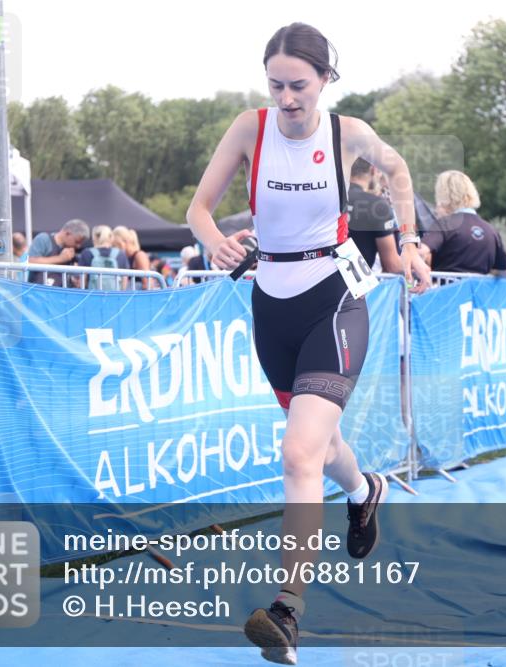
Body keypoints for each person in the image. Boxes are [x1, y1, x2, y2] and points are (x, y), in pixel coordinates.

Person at [184, 22, 431, 665]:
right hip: (272, 305)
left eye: (298, 85)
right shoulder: (250, 129)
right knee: (321, 446)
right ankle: (364, 491)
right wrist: (215, 240)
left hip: (335, 298)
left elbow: (397, 169)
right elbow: (198, 209)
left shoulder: (348, 134)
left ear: (325, 79)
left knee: (298, 452)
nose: (287, 98)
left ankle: (287, 610)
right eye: (276, 85)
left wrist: (408, 243)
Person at [420, 171, 506, 277]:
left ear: (443, 196)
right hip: (480, 287)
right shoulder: (491, 231)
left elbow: (422, 251)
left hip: (448, 287)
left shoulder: (445, 224)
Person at [347, 158, 401, 272]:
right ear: (373, 170)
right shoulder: (377, 205)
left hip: (317, 275)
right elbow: (392, 265)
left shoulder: (329, 198)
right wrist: (415, 269)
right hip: (356, 280)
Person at [27, 218, 89, 286]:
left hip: (61, 290)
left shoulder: (73, 251)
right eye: (77, 242)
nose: (78, 246)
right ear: (67, 233)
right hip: (38, 290)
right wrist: (61, 258)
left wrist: (75, 280)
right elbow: (31, 261)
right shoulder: (44, 239)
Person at [78, 225, 130, 290]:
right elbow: (124, 281)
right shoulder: (120, 254)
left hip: (93, 294)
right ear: (111, 237)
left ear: (94, 237)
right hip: (114, 294)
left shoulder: (87, 253)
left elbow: (82, 282)